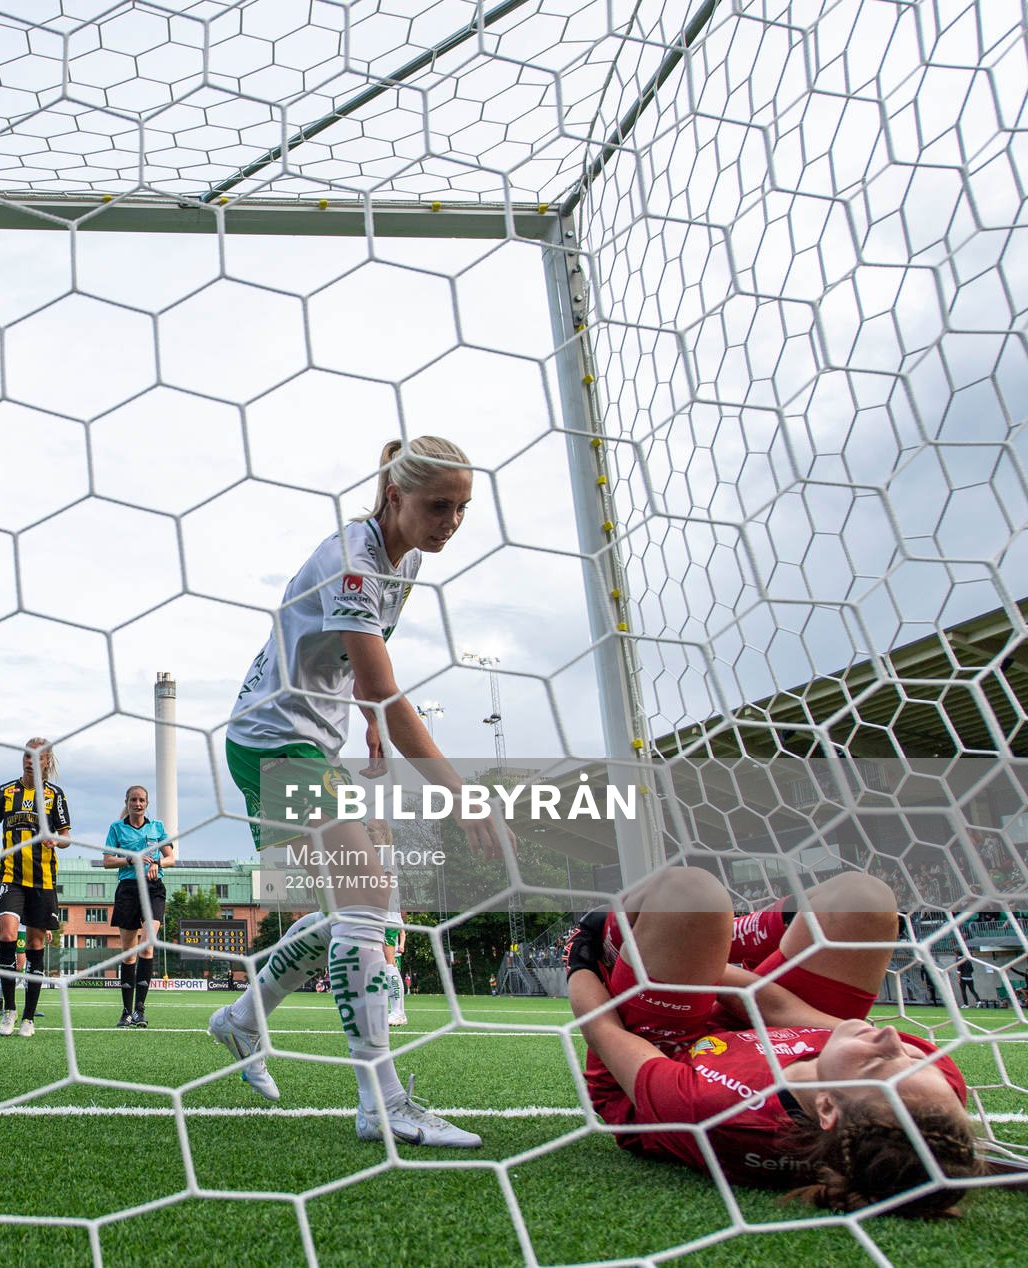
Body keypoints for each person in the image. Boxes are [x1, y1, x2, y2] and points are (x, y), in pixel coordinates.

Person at [207, 436, 488, 1148]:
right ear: (395, 496)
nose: (451, 521)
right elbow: (383, 686)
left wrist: (365, 730)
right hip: (275, 741)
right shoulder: (353, 564)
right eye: (438, 505)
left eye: (461, 508)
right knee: (369, 904)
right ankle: (381, 1103)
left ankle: (244, 1019)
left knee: (360, 910)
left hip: (305, 740)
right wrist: (459, 794)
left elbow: (359, 664)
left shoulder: (408, 558)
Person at [569, 867, 984, 1215]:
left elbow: (605, 1031)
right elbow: (780, 1011)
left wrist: (580, 959)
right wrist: (709, 965)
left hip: (663, 1049)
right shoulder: (930, 1089)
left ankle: (663, 939)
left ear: (826, 1105)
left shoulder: (717, 1109)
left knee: (690, 894)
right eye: (912, 1058)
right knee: (863, 899)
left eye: (878, 1063)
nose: (892, 1037)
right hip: (758, 1023)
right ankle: (720, 935)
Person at [0, 739, 71, 1039]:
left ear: (46, 762)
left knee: (34, 946)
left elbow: (67, 836)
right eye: (26, 755)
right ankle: (8, 1010)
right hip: (10, 876)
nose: (30, 761)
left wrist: (56, 840)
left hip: (42, 880)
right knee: (6, 934)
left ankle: (29, 1018)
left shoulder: (54, 795)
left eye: (37, 757)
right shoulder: (6, 791)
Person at [104, 784, 171, 1028]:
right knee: (129, 952)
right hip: (128, 889)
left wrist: (159, 864)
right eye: (134, 800)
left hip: (153, 888)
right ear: (127, 802)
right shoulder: (116, 828)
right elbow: (107, 861)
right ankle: (126, 1012)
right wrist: (130, 859)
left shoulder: (157, 827)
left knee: (148, 945)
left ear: (147, 803)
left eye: (142, 800)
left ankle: (141, 1010)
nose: (138, 804)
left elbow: (172, 857)